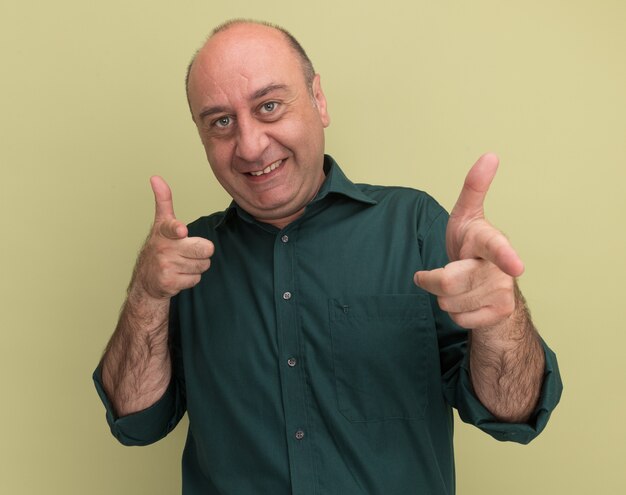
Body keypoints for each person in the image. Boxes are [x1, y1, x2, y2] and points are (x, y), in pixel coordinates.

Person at [94, 19, 562, 494]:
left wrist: (499, 322)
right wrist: (146, 296)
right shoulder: (184, 260)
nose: (251, 146)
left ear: (318, 100)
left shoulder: (416, 226)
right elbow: (136, 421)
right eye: (221, 122)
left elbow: (514, 411)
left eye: (269, 106)